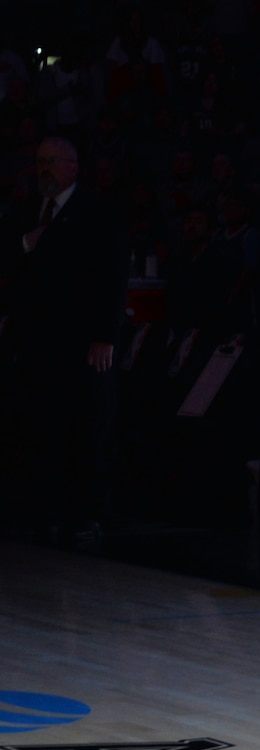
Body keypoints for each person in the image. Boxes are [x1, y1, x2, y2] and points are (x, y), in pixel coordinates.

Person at [0, 136, 128, 543]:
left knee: (85, 424)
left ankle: (88, 511)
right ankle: (44, 509)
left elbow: (111, 277)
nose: (44, 169)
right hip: (36, 339)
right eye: (40, 161)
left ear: (73, 167)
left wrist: (104, 335)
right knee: (40, 423)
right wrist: (24, 244)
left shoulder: (97, 212)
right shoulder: (25, 211)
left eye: (52, 161)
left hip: (80, 340)